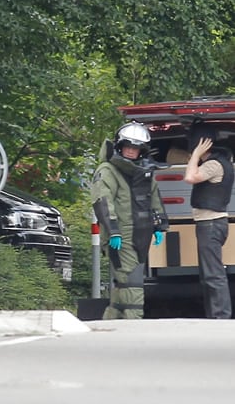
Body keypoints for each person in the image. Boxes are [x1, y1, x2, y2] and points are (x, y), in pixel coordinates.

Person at [91, 122, 169, 319]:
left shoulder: (144, 173)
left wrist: (159, 225)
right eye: (128, 147)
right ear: (119, 146)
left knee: (123, 284)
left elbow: (154, 199)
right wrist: (113, 230)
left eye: (135, 148)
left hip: (142, 234)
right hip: (122, 236)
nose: (131, 151)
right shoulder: (108, 170)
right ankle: (135, 325)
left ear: (142, 150)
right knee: (132, 283)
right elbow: (102, 202)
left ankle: (111, 323)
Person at [184, 124, 234, 319]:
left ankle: (221, 316)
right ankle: (214, 315)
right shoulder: (220, 161)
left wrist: (196, 154)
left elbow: (189, 177)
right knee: (209, 274)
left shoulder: (214, 164)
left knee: (213, 274)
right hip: (211, 224)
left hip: (211, 224)